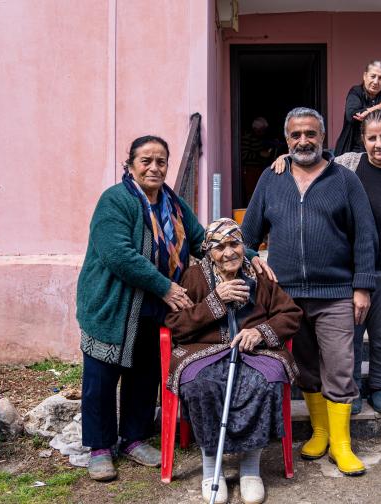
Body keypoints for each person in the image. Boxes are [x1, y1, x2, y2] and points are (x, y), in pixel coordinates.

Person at [76, 135, 275, 482]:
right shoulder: (115, 201)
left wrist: (251, 256)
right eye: (146, 161)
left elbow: (202, 240)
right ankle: (99, 447)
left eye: (161, 161)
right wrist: (166, 286)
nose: (154, 167)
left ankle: (134, 439)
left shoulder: (174, 204)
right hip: (113, 304)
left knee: (146, 371)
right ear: (130, 165)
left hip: (155, 304)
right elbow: (118, 255)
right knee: (101, 377)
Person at [241, 107, 378, 476]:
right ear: (287, 141)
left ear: (323, 137)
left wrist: (362, 287)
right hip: (286, 297)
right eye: (296, 135)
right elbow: (248, 234)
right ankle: (319, 432)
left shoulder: (345, 180)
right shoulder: (272, 179)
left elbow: (366, 235)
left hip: (335, 292)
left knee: (340, 366)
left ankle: (342, 445)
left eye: (311, 134)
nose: (304, 141)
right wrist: (252, 258)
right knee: (304, 368)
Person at [271, 110, 381, 414]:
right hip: (351, 269)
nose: (378, 144)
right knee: (351, 334)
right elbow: (311, 159)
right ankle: (353, 390)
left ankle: (379, 386)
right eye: (372, 138)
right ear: (363, 141)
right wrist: (285, 159)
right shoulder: (347, 165)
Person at [165, 218, 302, 504]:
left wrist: (260, 332)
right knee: (201, 385)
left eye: (235, 244)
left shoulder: (259, 276)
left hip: (255, 351)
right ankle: (210, 467)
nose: (229, 253)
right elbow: (175, 324)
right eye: (219, 247)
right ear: (208, 252)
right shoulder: (194, 277)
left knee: (264, 381)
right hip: (204, 350)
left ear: (244, 247)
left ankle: (250, 469)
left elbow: (290, 314)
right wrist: (214, 302)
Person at [334, 60, 381, 156]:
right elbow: (352, 116)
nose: (376, 81)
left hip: (380, 148)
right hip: (353, 148)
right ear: (365, 76)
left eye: (380, 78)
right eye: (373, 76)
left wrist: (366, 113)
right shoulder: (356, 91)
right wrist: (380, 107)